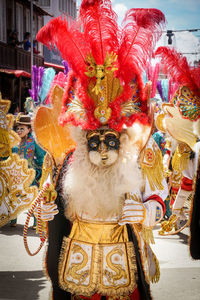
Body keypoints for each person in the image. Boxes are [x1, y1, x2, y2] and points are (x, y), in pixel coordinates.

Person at [31, 1, 169, 299]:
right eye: (95, 140)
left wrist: (147, 211)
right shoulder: (68, 161)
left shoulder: (139, 157)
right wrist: (46, 213)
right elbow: (50, 201)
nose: (103, 151)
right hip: (76, 266)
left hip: (124, 265)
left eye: (111, 140)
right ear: (83, 138)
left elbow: (160, 199)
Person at [10, 113, 46, 228]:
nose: (19, 131)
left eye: (22, 128)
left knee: (32, 197)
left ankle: (35, 221)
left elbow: (41, 156)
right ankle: (13, 219)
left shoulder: (33, 142)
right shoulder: (13, 142)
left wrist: (42, 171)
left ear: (29, 129)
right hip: (15, 173)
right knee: (14, 196)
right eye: (17, 128)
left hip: (30, 173)